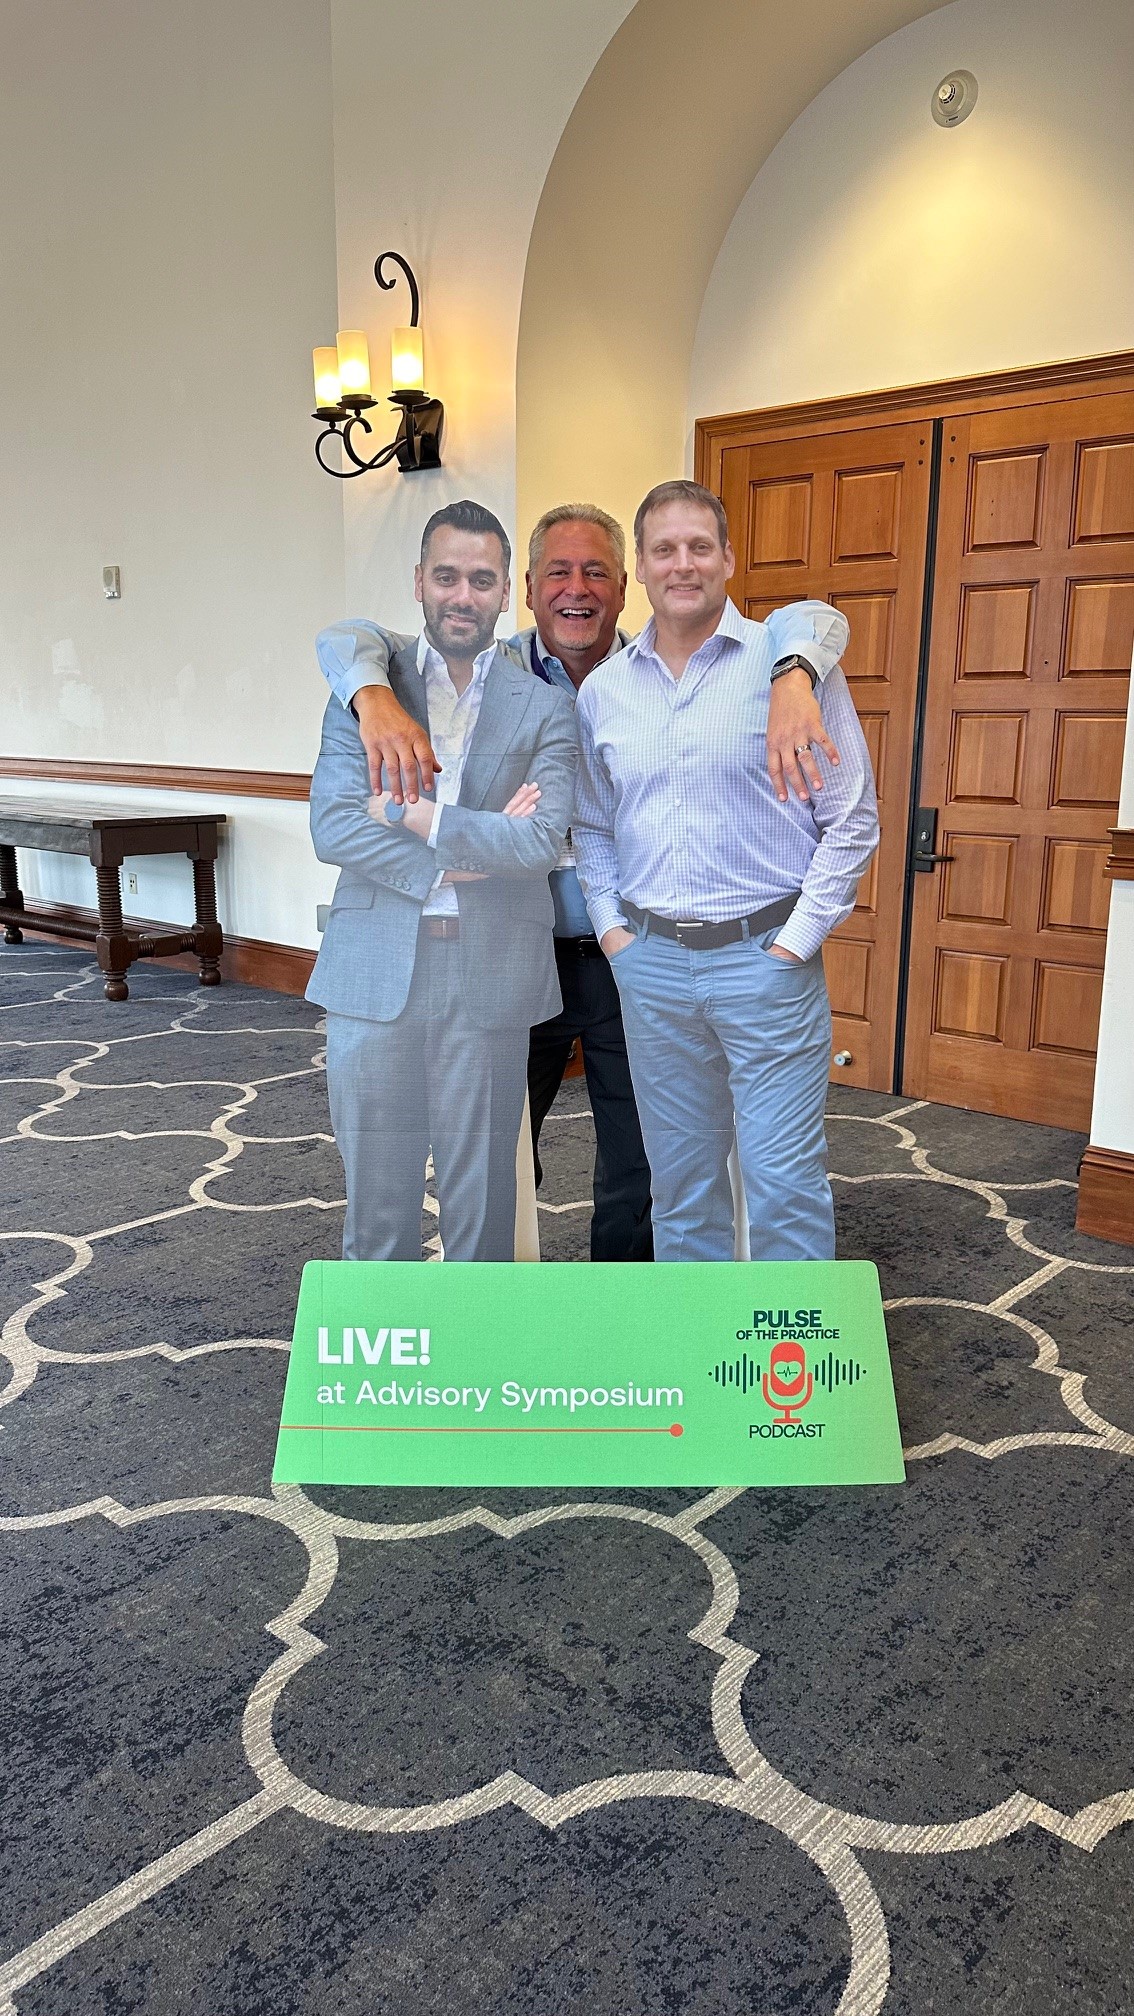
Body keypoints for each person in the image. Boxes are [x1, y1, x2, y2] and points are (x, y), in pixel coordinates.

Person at [314, 502, 850, 1262]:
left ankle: (626, 1303)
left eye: (596, 571)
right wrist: (371, 700)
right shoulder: (464, 671)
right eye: (558, 572)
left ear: (624, 586)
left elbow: (811, 623)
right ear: (528, 589)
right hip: (517, 948)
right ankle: (501, 1308)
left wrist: (796, 674)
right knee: (498, 1160)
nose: (577, 588)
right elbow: (344, 648)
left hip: (625, 955)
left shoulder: (646, 676)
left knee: (642, 1157)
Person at [572, 479, 879, 1263]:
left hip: (765, 963)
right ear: (640, 569)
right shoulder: (604, 692)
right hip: (651, 968)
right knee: (680, 1187)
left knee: (783, 1183)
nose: (683, 564)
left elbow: (851, 820)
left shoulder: (790, 669)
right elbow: (593, 825)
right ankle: (698, 1339)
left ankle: (789, 1346)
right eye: (664, 549)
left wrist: (795, 943)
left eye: (699, 547)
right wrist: (612, 933)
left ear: (729, 559)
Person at [306, 499, 575, 1263]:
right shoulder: (369, 693)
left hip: (490, 974)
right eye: (447, 576)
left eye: (482, 580)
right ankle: (384, 1343)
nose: (464, 595)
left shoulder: (547, 708)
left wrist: (416, 818)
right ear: (419, 580)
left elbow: (537, 842)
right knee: (378, 1210)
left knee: (482, 1212)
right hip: (373, 969)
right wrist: (458, 862)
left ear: (508, 591)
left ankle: (476, 1341)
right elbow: (336, 827)